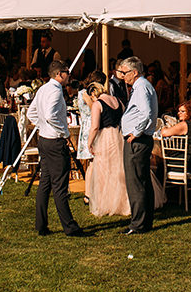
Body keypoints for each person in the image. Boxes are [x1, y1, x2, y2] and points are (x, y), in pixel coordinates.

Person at [29, 60, 84, 237]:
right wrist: (63, 132)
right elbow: (51, 115)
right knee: (60, 185)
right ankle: (69, 226)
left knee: (45, 182)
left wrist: (42, 126)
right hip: (54, 141)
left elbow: (32, 113)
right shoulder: (54, 91)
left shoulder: (43, 89)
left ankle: (41, 224)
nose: (69, 75)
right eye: (67, 72)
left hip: (44, 139)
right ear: (59, 74)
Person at [118, 56, 157, 234]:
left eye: (125, 73)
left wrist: (136, 132)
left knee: (135, 182)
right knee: (142, 180)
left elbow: (146, 113)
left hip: (138, 140)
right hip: (141, 139)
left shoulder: (141, 86)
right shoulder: (142, 86)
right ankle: (144, 220)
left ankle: (138, 223)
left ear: (134, 72)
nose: (123, 76)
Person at [86, 79, 130, 217]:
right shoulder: (119, 101)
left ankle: (108, 203)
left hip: (105, 137)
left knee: (104, 170)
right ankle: (123, 202)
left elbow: (94, 127)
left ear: (94, 93)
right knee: (119, 168)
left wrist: (89, 142)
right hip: (118, 135)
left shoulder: (97, 104)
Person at [74, 81, 95, 172]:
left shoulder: (81, 93)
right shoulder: (85, 93)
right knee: (92, 159)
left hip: (86, 124)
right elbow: (94, 107)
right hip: (90, 124)